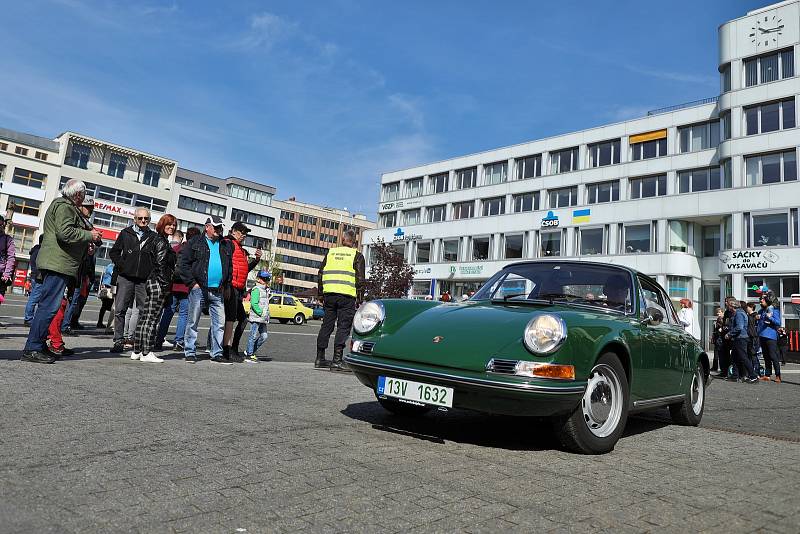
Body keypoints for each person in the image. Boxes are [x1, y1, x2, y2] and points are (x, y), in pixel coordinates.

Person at [22, 179, 101, 364]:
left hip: (57, 262)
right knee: (48, 307)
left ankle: (38, 345)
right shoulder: (65, 206)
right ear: (78, 194)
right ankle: (33, 348)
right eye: (83, 194)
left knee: (49, 306)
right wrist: (89, 235)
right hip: (58, 264)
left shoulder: (63, 205)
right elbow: (64, 233)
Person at [180, 215, 234, 364]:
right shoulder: (195, 242)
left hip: (218, 290)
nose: (218, 230)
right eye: (215, 227)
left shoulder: (225, 245)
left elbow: (229, 267)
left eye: (220, 227)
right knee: (193, 321)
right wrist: (192, 283)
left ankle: (216, 353)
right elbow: (183, 264)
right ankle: (190, 351)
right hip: (199, 288)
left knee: (219, 323)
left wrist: (227, 284)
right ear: (207, 227)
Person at [315, 229, 366, 371]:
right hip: (346, 296)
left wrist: (320, 295)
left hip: (329, 295)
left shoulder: (331, 253)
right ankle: (337, 361)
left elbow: (320, 274)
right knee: (343, 327)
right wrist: (360, 299)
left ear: (342, 240)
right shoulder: (357, 256)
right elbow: (360, 280)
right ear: (354, 242)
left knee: (326, 325)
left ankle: (320, 358)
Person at [131, 214, 178, 363]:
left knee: (145, 318)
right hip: (158, 282)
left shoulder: (156, 239)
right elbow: (160, 265)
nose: (172, 227)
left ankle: (137, 350)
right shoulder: (161, 241)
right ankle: (147, 351)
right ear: (162, 225)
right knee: (152, 319)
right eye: (169, 224)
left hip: (152, 281)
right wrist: (165, 285)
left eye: (174, 225)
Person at [109, 208, 157, 353]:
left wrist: (150, 271)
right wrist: (123, 265)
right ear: (134, 219)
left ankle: (138, 340)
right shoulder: (125, 233)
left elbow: (155, 257)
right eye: (140, 218)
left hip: (143, 279)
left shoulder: (153, 236)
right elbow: (114, 252)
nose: (143, 221)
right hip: (125, 277)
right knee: (120, 310)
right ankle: (118, 340)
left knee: (143, 311)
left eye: (146, 219)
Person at [222, 221, 262, 362]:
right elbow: (226, 266)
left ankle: (233, 348)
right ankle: (226, 350)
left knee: (242, 319)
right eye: (241, 232)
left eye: (245, 233)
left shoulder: (241, 249)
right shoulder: (228, 243)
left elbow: (244, 269)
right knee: (229, 319)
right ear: (233, 231)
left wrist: (256, 260)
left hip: (238, 289)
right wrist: (226, 285)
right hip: (231, 287)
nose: (243, 235)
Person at [62, 196, 98, 334]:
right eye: (88, 207)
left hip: (81, 272)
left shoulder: (86, 224)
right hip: (70, 269)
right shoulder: (74, 220)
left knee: (75, 300)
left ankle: (67, 325)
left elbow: (97, 241)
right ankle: (64, 327)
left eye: (92, 208)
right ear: (79, 206)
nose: (90, 211)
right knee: (65, 301)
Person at [156, 228, 196, 351]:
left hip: (173, 286)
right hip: (186, 287)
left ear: (185, 237)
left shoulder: (176, 249)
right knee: (183, 315)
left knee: (168, 313)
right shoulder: (194, 252)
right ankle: (178, 341)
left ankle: (159, 340)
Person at [724, 297, 758, 383]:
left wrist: (729, 334)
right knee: (734, 357)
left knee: (744, 357)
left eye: (728, 305)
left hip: (741, 338)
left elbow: (739, 327)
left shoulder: (739, 314)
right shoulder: (739, 313)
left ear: (732, 306)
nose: (727, 307)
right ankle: (735, 376)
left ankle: (753, 376)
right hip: (738, 338)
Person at [244, 270, 272, 362]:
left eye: (266, 279)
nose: (265, 281)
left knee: (264, 336)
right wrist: (260, 313)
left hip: (263, 318)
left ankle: (250, 351)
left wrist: (265, 315)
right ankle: (249, 354)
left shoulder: (266, 290)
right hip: (256, 317)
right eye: (263, 279)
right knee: (253, 335)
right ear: (259, 279)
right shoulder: (256, 289)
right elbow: (254, 303)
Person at [757, 296, 782, 383]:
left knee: (773, 356)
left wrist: (770, 317)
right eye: (760, 301)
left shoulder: (774, 310)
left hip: (770, 336)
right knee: (766, 356)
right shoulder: (761, 311)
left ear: (767, 301)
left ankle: (778, 375)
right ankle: (767, 375)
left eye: (762, 301)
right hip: (761, 335)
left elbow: (778, 322)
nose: (760, 302)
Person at [24, 235, 44, 326]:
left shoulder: (35, 250)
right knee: (34, 298)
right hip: (38, 277)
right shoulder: (40, 251)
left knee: (34, 297)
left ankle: (29, 318)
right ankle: (28, 319)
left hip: (34, 275)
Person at [0, 215, 15, 307]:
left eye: (1, 225)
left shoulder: (7, 239)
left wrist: (6, 274)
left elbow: (11, 257)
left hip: (1, 275)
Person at [97, 262, 115, 330]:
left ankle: (100, 322)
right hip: (108, 288)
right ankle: (102, 323)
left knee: (105, 306)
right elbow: (113, 274)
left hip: (110, 288)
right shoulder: (111, 266)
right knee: (106, 306)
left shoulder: (110, 266)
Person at [711, 307, 727, 374]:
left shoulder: (722, 319)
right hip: (718, 337)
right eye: (717, 312)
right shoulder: (719, 319)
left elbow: (721, 328)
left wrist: (720, 329)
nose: (718, 313)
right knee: (716, 353)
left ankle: (719, 368)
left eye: (719, 312)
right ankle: (715, 367)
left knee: (719, 353)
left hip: (720, 338)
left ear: (723, 312)